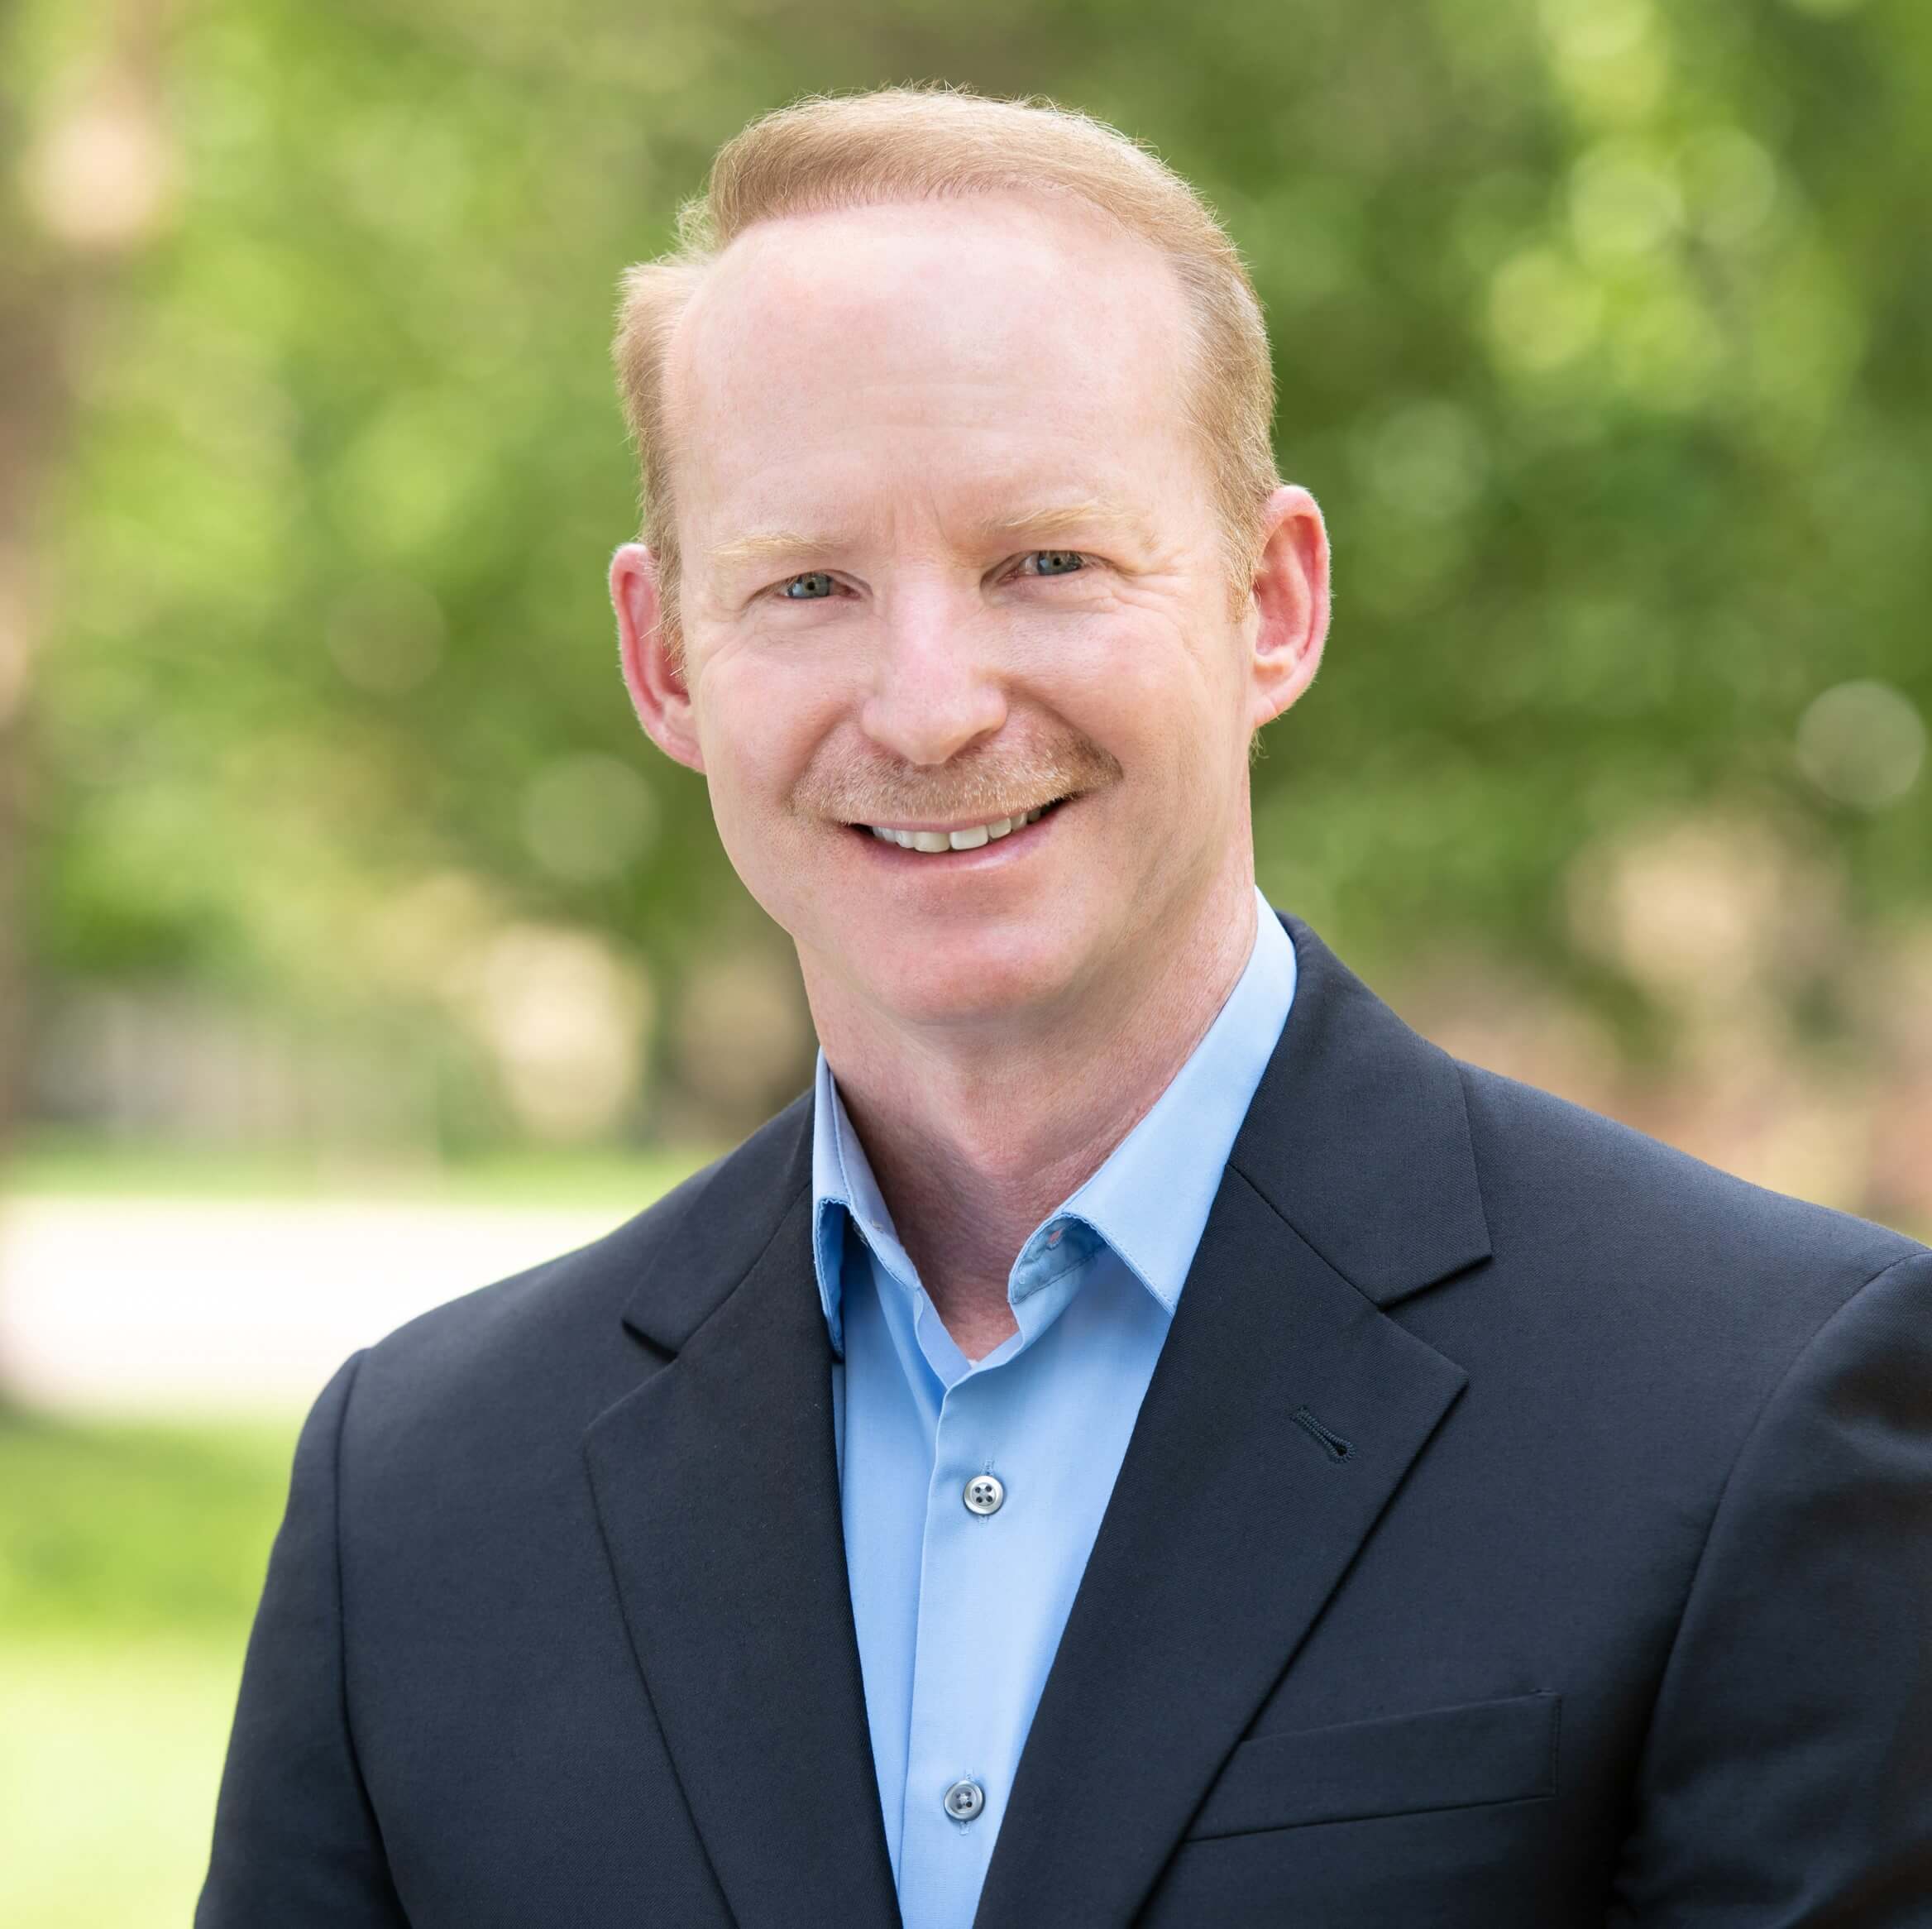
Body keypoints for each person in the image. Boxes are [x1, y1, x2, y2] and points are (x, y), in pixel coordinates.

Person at [197, 83, 1932, 1929]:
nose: (931, 704)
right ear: (664, 655)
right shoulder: (417, 1492)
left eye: (1046, 560)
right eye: (807, 582)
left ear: (1271, 601)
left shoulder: (1758, 1401)